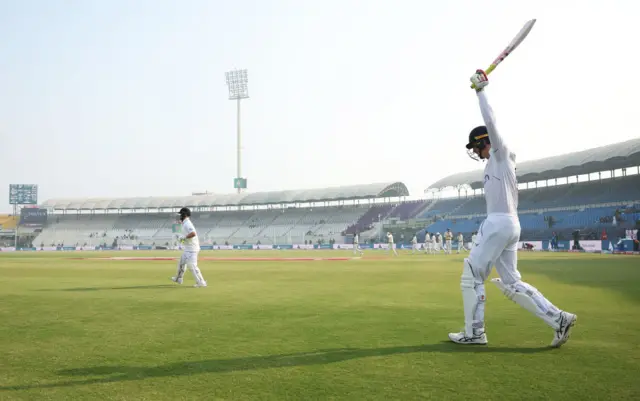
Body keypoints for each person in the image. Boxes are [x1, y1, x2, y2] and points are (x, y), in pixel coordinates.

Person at [448, 69, 577, 347]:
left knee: (471, 275)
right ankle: (559, 319)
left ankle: (475, 333)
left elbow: (491, 122)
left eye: (476, 146)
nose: (475, 151)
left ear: (485, 143)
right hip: (510, 224)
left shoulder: (500, 154)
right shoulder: (496, 163)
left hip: (498, 223)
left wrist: (481, 92)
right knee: (511, 282)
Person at [171, 207, 207, 287]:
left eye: (181, 214)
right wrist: (180, 239)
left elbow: (193, 233)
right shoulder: (184, 224)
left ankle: (201, 283)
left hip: (192, 249)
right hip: (188, 249)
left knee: (192, 267)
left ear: (184, 214)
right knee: (181, 263)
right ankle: (178, 279)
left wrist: (183, 238)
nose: (180, 216)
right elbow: (185, 239)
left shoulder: (188, 224)